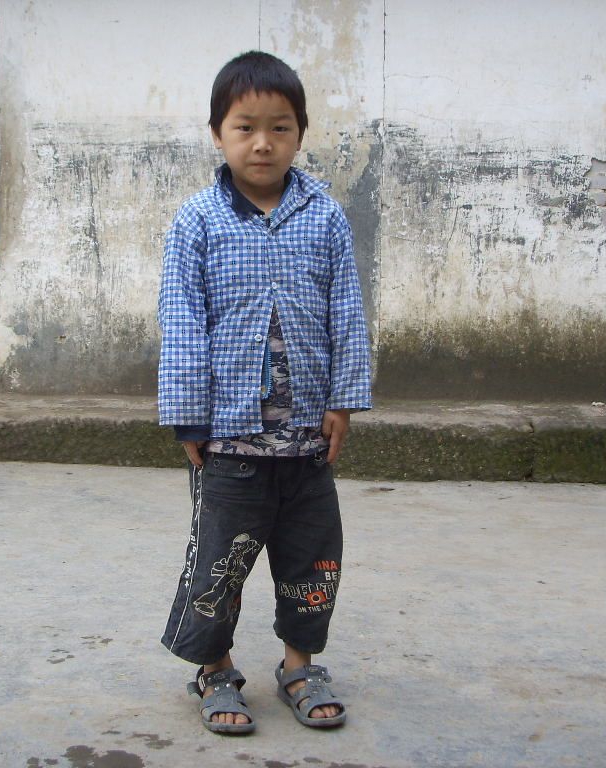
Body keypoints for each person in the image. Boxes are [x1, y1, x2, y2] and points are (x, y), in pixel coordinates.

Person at [157, 50, 372, 735]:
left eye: (280, 127)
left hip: (308, 440)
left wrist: (342, 402)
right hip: (230, 441)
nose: (262, 143)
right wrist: (188, 417)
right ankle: (214, 669)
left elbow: (347, 312)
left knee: (313, 557)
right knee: (220, 562)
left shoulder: (324, 217)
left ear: (300, 133)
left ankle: (300, 666)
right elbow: (182, 321)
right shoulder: (198, 221)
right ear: (217, 134)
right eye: (245, 127)